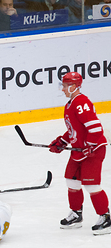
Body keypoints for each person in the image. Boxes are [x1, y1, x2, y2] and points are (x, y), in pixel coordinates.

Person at [48, 72, 111, 234]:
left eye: (64, 85)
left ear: (74, 86)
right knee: (71, 180)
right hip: (80, 150)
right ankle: (76, 214)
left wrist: (90, 145)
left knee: (91, 184)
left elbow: (96, 128)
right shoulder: (70, 104)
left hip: (93, 150)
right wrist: (62, 142)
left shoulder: (81, 102)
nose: (62, 89)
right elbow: (73, 130)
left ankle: (106, 217)